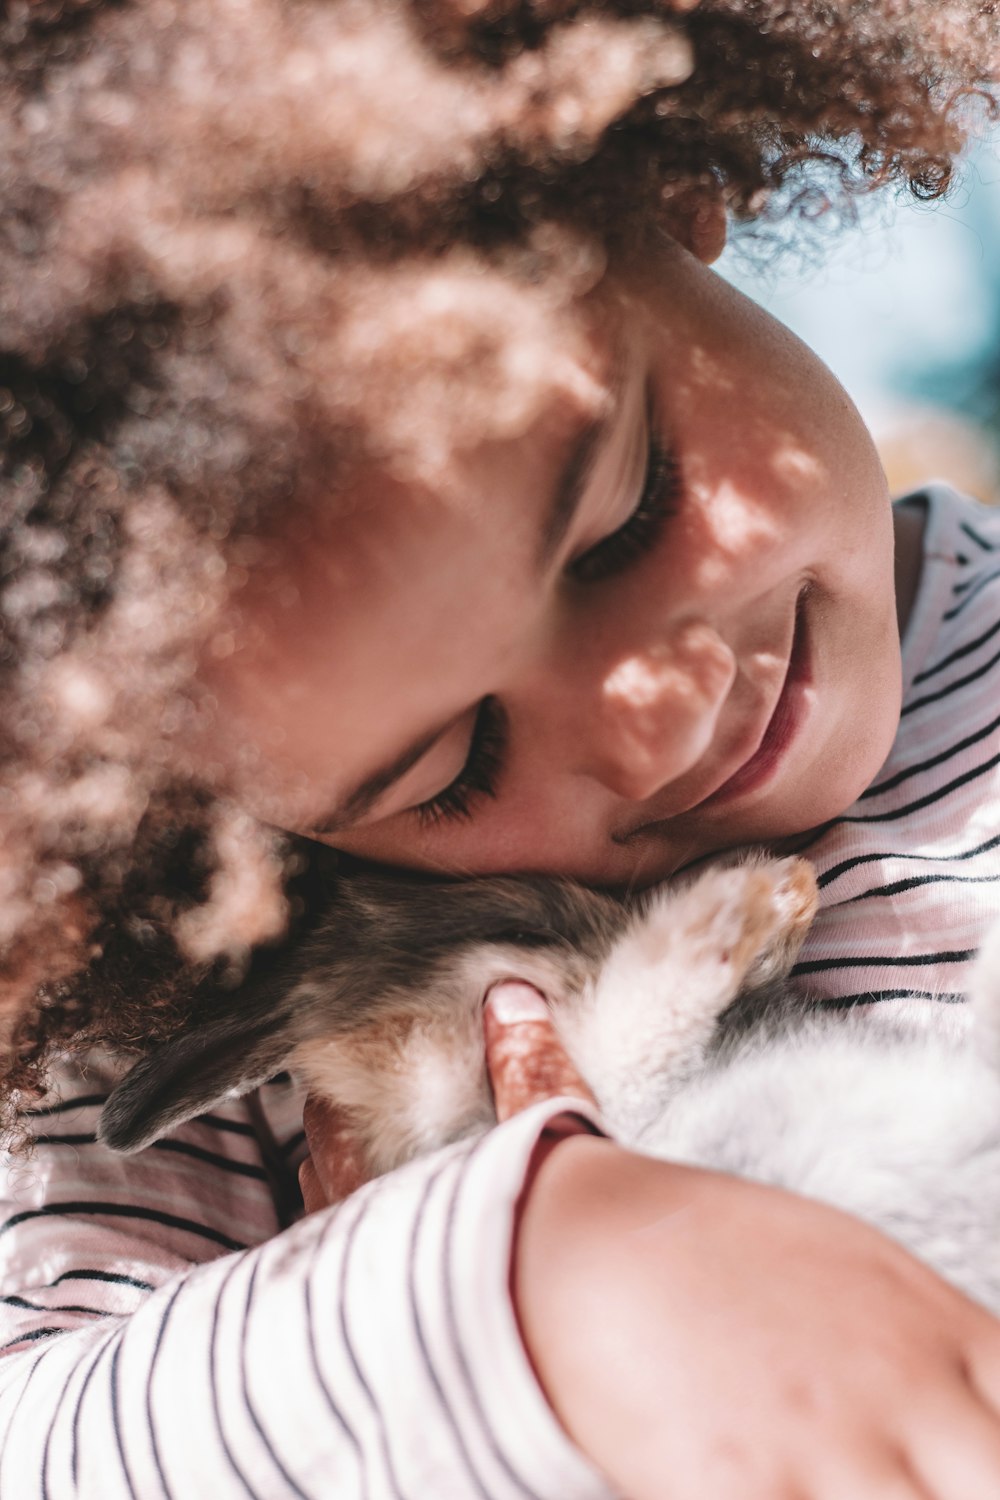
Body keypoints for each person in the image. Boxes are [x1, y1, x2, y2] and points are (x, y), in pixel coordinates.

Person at [2, 1, 1000, 1496]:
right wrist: (534, 1278)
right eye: (451, 766)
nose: (660, 719)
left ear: (660, 183)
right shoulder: (241, 1041)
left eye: (629, 516)